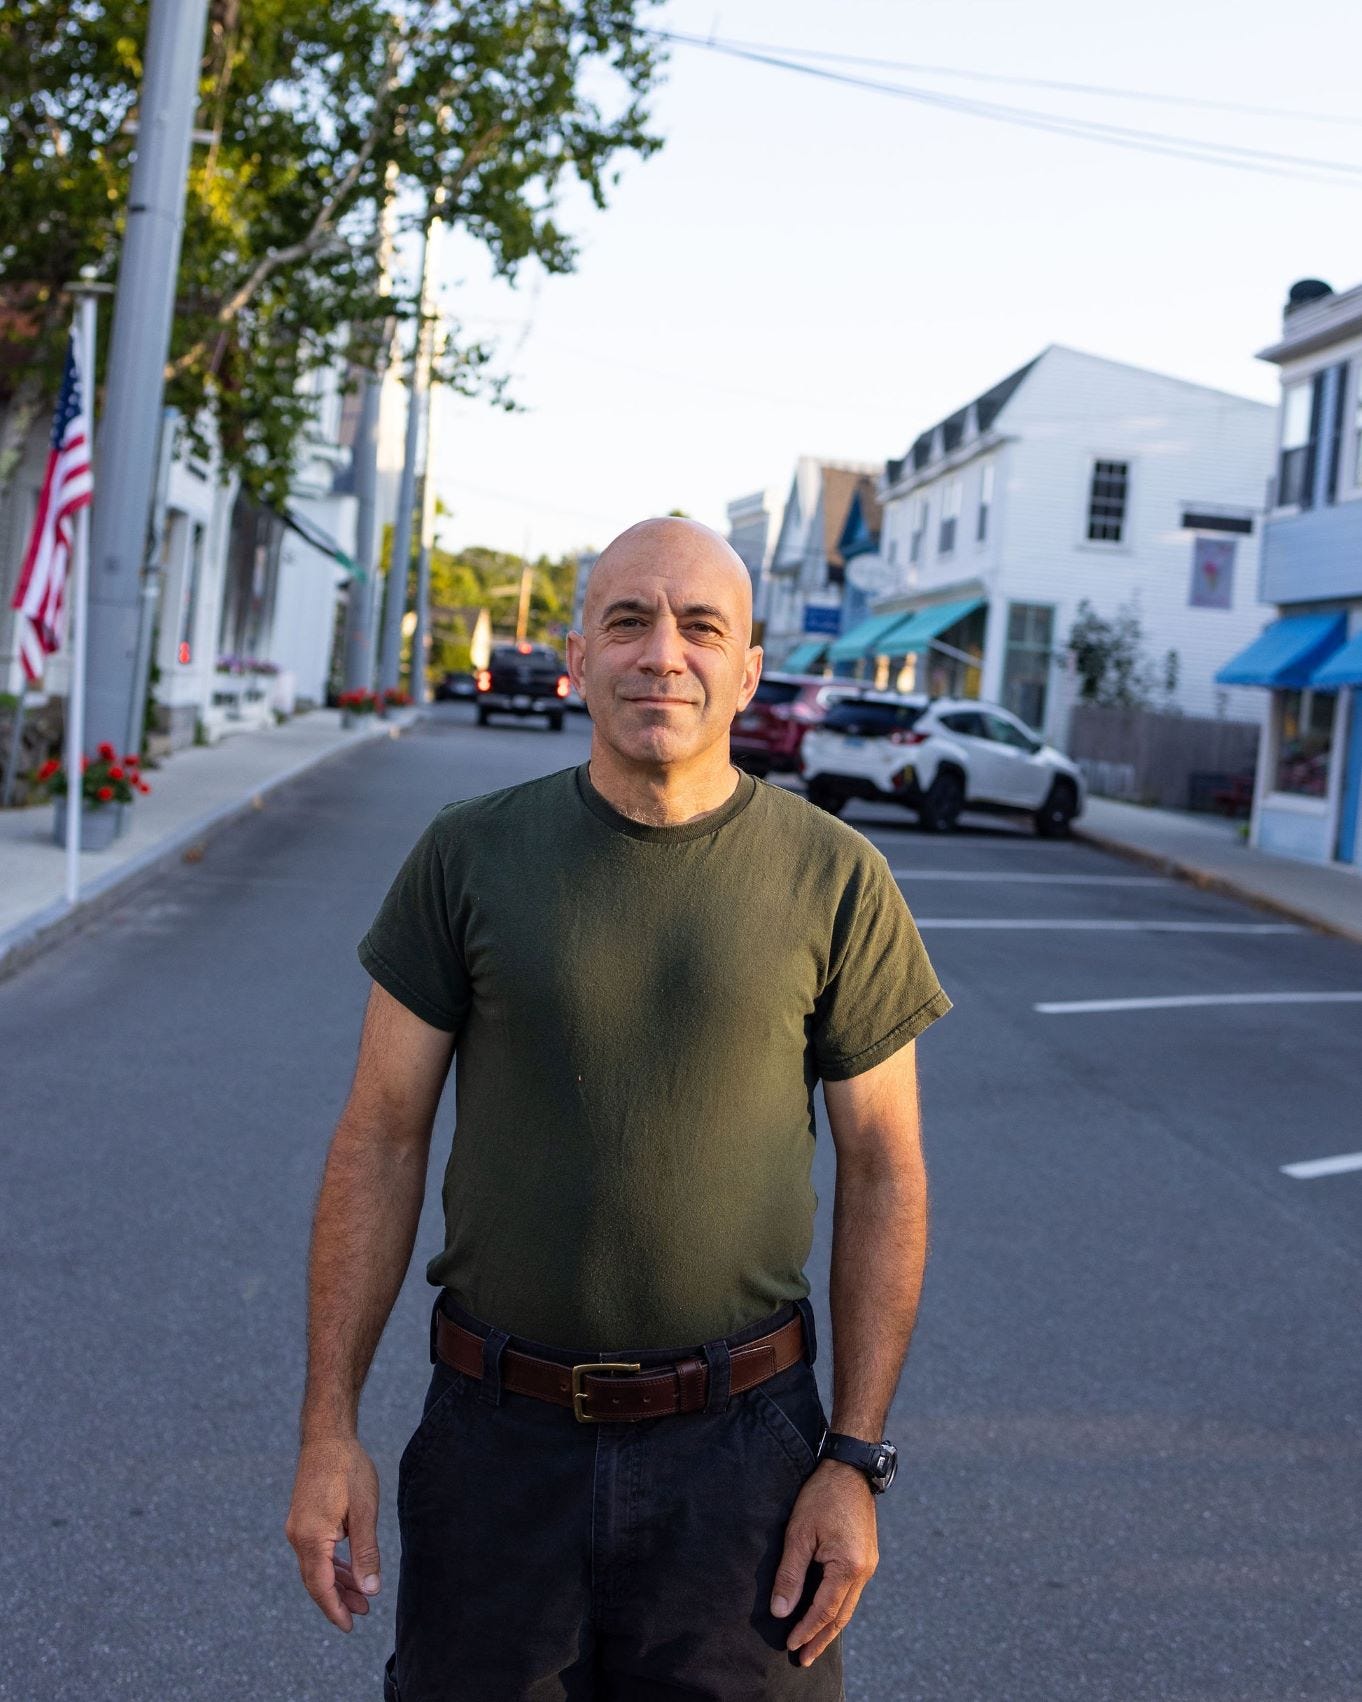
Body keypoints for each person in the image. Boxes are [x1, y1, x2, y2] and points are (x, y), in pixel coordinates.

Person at [285, 517, 951, 1699]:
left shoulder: (836, 877)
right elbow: (381, 1138)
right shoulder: (470, 855)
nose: (663, 653)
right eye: (630, 620)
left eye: (702, 626)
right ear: (580, 650)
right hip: (496, 1445)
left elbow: (886, 1169)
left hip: (747, 1461)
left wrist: (854, 1456)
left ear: (748, 669)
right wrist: (327, 1427)